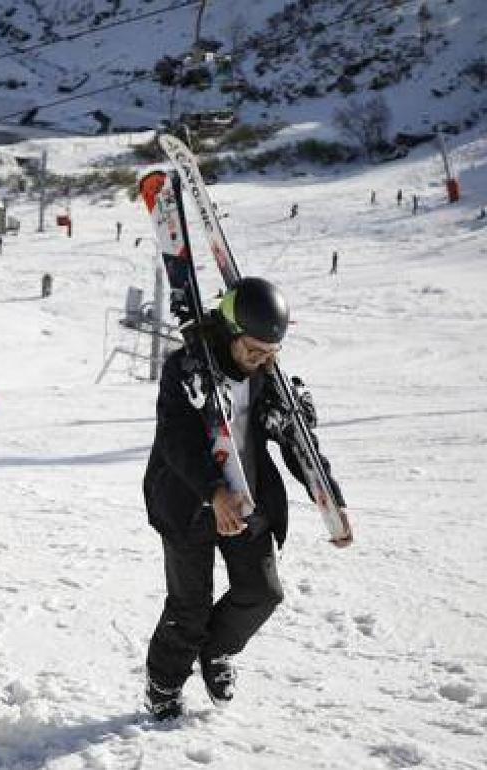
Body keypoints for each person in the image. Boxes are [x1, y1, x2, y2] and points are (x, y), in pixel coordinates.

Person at [142, 277, 346, 721]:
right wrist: (214, 493)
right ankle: (164, 681)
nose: (260, 361)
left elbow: (297, 442)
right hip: (188, 503)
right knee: (189, 608)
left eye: (270, 353)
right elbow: (174, 441)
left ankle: (216, 652)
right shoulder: (187, 370)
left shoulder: (268, 378)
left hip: (248, 498)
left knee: (262, 593)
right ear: (231, 333)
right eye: (252, 350)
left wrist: (328, 495)